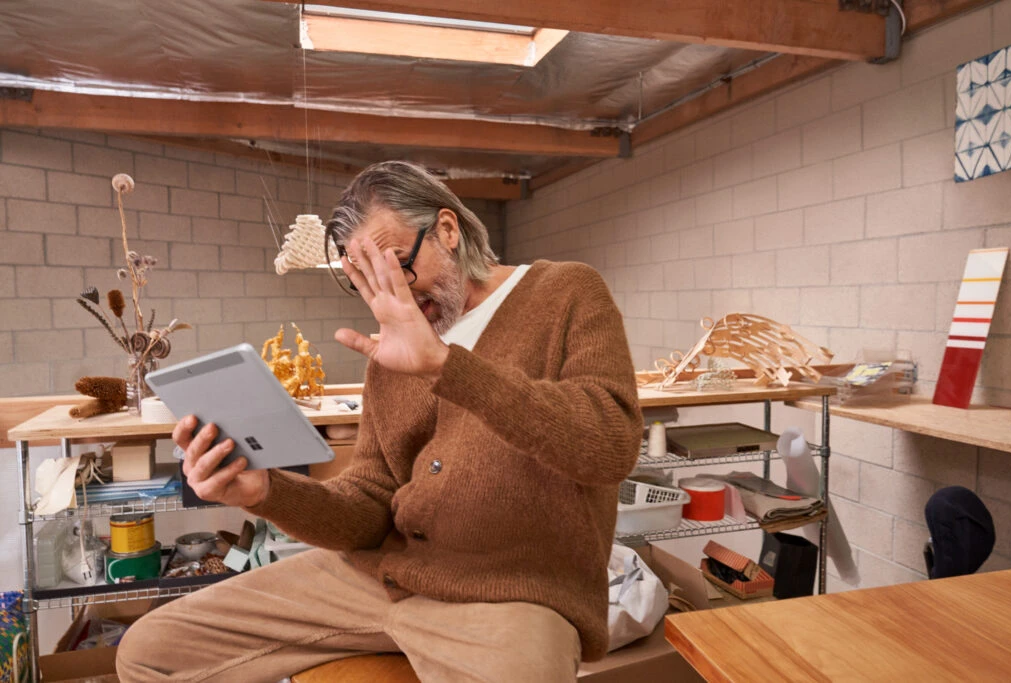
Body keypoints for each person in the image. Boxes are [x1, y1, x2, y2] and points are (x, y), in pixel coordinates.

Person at [116, 161, 642, 682]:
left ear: (447, 230)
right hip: (380, 579)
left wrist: (444, 365)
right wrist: (263, 492)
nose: (394, 297)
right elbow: (368, 504)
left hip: (511, 592)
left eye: (398, 267)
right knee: (148, 652)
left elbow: (610, 445)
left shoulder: (567, 292)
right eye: (366, 280)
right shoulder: (388, 358)